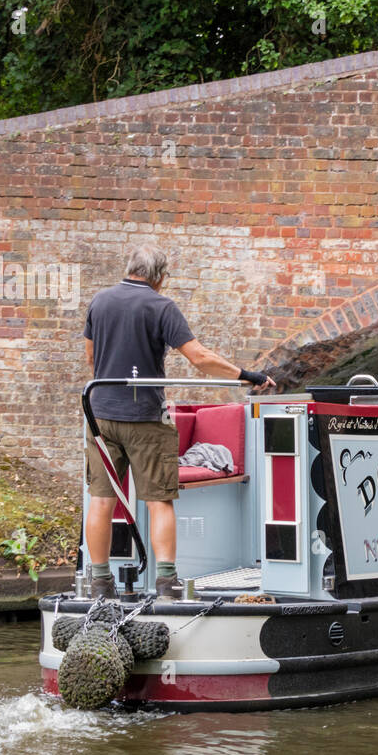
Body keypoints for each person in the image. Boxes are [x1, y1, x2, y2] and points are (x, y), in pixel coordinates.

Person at [83, 244, 275, 599]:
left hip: (101, 417)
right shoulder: (161, 306)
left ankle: (98, 583)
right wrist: (246, 375)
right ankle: (167, 582)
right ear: (159, 277)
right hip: (144, 419)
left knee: (101, 500)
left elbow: (92, 357)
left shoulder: (100, 301)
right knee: (159, 501)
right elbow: (199, 358)